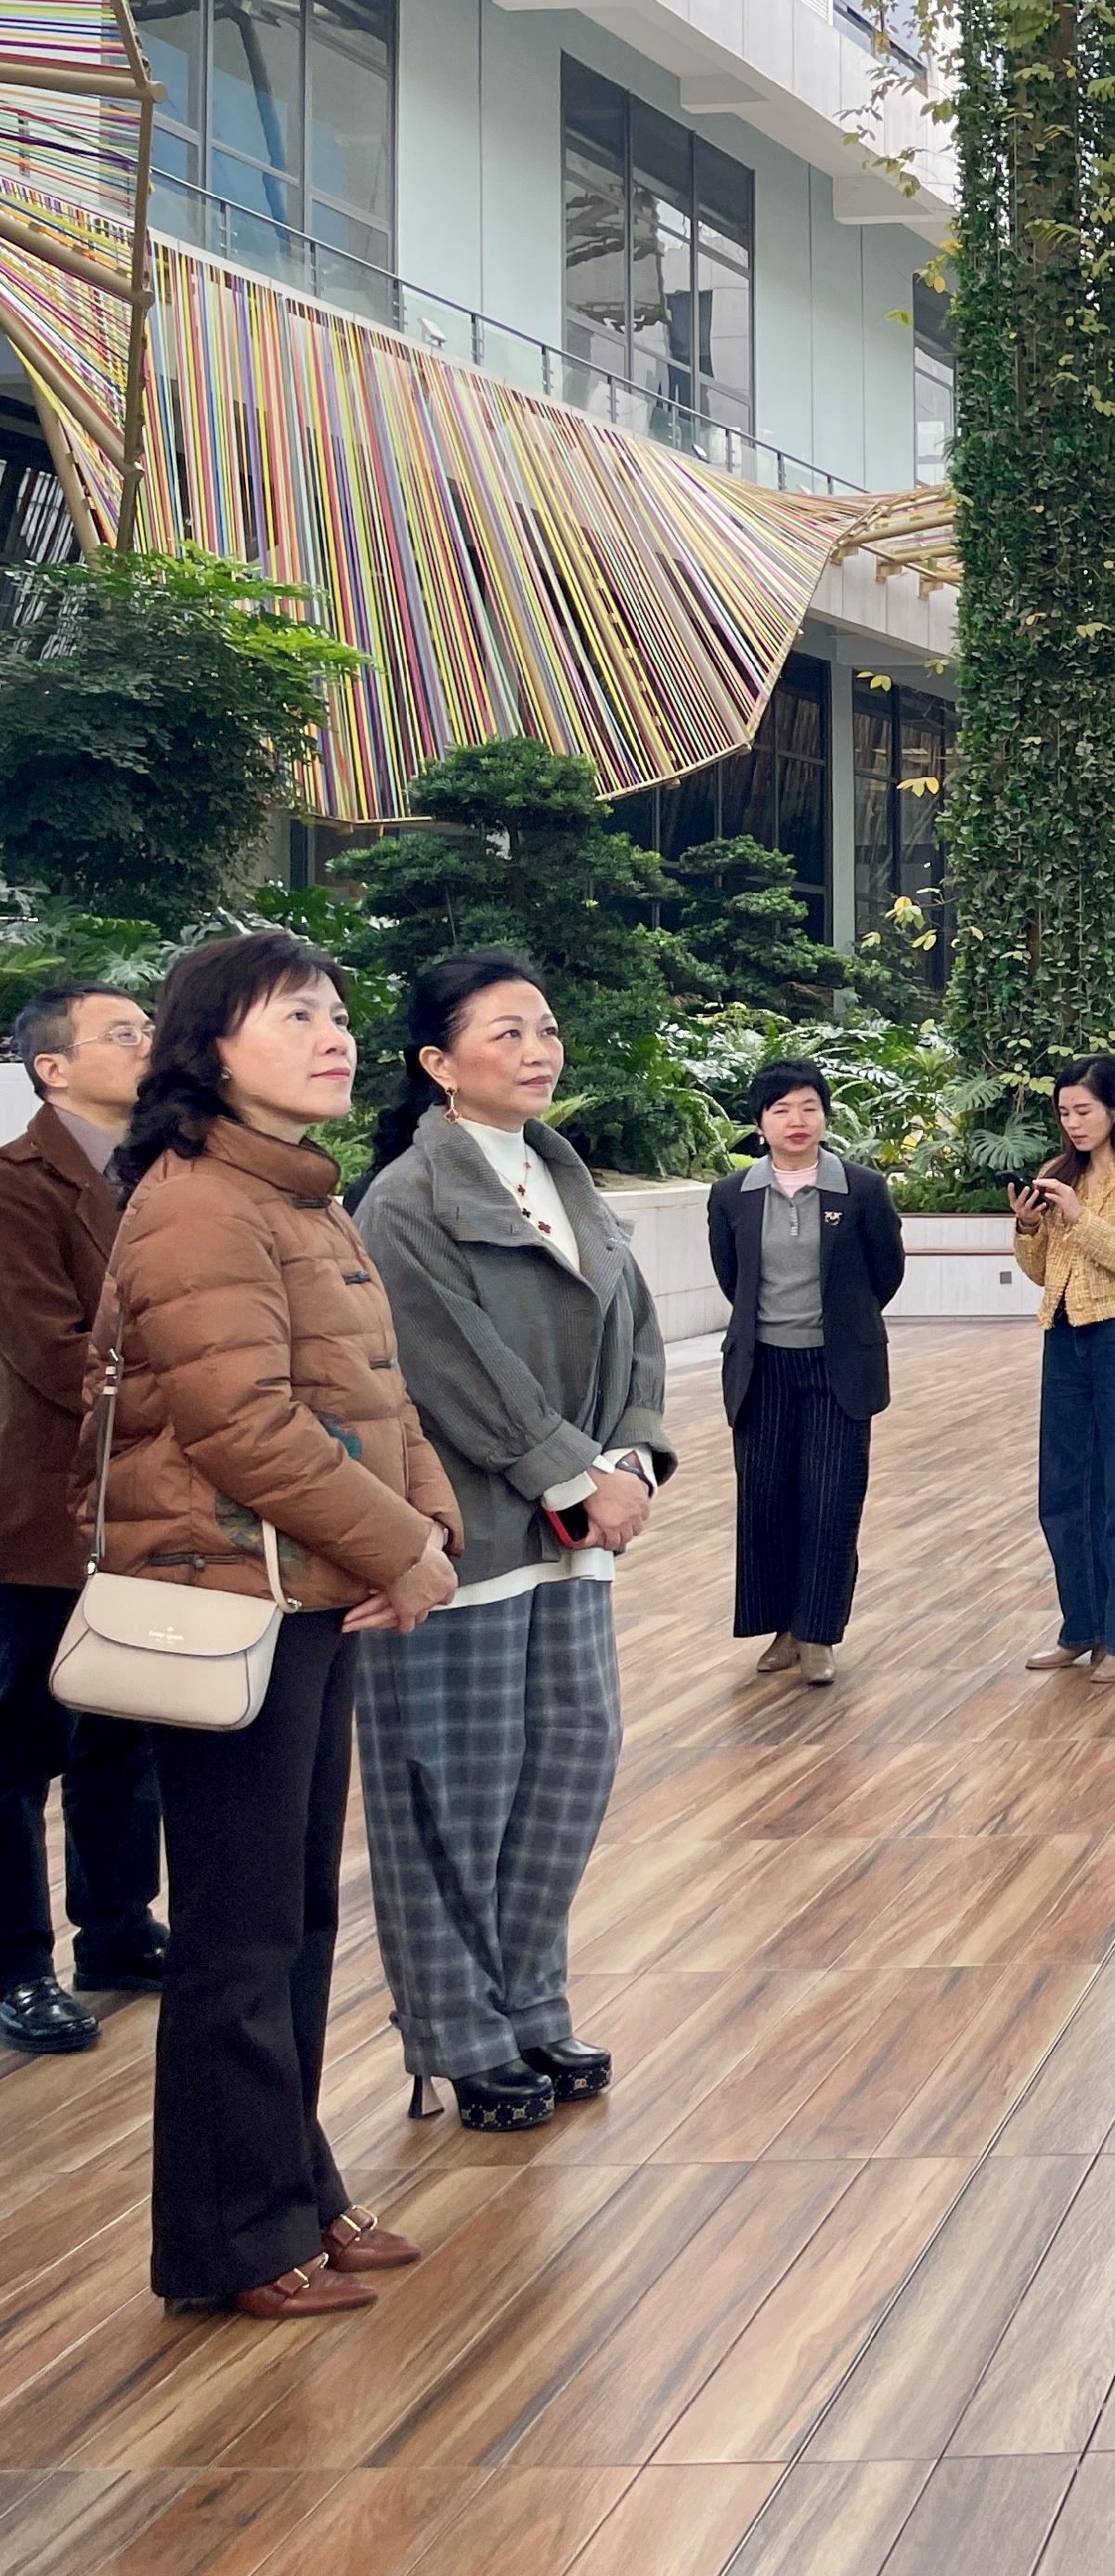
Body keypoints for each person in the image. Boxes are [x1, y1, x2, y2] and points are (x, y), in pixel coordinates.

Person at [97, 930, 460, 2315]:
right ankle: (229, 2240)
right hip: (226, 1596)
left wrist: (426, 1533)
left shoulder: (300, 1197)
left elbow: (379, 1394)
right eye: (295, 1014)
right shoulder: (200, 1204)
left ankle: (293, 2183)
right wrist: (400, 1547)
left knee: (297, 1919)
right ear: (210, 1047)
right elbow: (242, 1425)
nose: (332, 1034)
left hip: (307, 1587)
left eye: (335, 1012)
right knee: (239, 1938)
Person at [354, 952, 672, 2135]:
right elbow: (446, 1364)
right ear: (438, 1065)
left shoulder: (561, 1172)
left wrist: (629, 1460)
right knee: (453, 1789)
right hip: (464, 1540)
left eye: (544, 1029)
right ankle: (457, 2032)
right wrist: (570, 1474)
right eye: (504, 1034)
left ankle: (531, 1999)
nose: (537, 1051)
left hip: (576, 1534)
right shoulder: (403, 1200)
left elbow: (633, 1329)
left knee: (569, 1765)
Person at [0, 986, 169, 2053]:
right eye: (123, 1033)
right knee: (19, 1749)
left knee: (128, 1730)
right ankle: (19, 1965)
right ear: (50, 1068)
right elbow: (58, 1351)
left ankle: (117, 1926)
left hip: (140, 1502)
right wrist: (194, 1397)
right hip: (41, 1512)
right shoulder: (14, 1188)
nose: (147, 1046)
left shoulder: (163, 1172)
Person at [707, 1059, 903, 1688]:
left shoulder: (863, 1190)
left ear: (825, 1116)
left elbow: (885, 1273)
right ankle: (782, 1630)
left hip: (836, 1366)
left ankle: (819, 1633)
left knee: (830, 1499)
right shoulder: (731, 1195)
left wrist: (844, 1323)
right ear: (760, 1123)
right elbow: (731, 1277)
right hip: (761, 1367)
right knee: (766, 1501)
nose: (797, 1121)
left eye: (808, 1107)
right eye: (781, 1109)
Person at [1014, 1054, 1115, 1684]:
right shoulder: (1063, 1175)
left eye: (1084, 1109)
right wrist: (1031, 1228)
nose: (1074, 1123)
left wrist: (1081, 1219)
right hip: (1063, 1338)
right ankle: (1080, 1628)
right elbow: (1044, 1271)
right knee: (1062, 1494)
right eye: (1064, 1112)